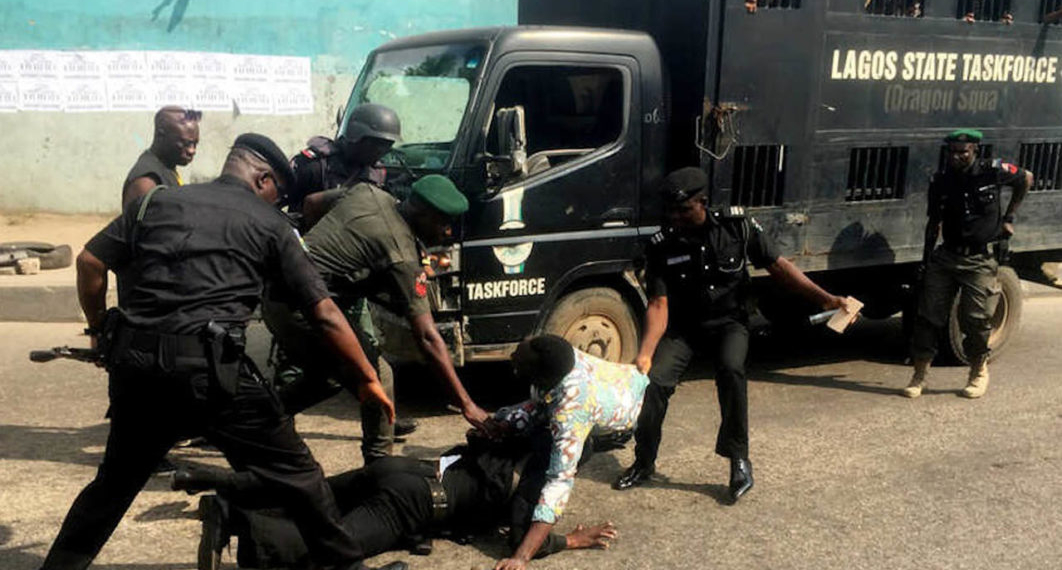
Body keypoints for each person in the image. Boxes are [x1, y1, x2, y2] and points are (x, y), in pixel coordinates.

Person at [41, 133, 400, 570]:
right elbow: (323, 312)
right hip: (211, 374)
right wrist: (366, 379)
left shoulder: (156, 202)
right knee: (299, 477)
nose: (277, 201)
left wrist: (99, 330)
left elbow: (89, 263)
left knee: (111, 488)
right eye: (278, 193)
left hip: (136, 371)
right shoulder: (271, 225)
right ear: (264, 179)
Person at [612, 167, 847, 502]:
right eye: (671, 211)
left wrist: (825, 298)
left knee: (731, 370)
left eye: (683, 209)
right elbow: (659, 303)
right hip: (685, 327)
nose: (675, 217)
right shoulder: (662, 244)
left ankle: (739, 460)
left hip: (730, 323)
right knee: (656, 382)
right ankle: (644, 460)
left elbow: (779, 267)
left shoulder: (737, 226)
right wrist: (646, 352)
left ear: (703, 202)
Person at [262, 172, 491, 463]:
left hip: (279, 292)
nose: (447, 232)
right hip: (301, 309)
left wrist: (312, 255)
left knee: (335, 376)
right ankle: (379, 464)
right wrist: (467, 404)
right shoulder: (401, 254)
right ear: (419, 212)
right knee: (377, 375)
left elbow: (311, 203)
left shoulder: (368, 193)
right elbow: (427, 337)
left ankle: (260, 416)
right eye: (442, 222)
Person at [173, 428, 617, 570]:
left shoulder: (514, 437)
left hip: (403, 469)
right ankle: (245, 535)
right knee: (337, 542)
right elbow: (522, 534)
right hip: (416, 502)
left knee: (314, 493)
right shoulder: (536, 478)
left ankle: (223, 495)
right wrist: (568, 542)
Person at [487, 335, 648, 570]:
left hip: (622, 413)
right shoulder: (556, 353)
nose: (513, 356)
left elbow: (559, 483)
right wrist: (503, 421)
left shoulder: (570, 415)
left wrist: (521, 557)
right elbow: (540, 402)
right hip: (592, 393)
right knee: (512, 429)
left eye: (517, 360)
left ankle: (573, 538)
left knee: (523, 527)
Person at [903, 129, 1032, 399]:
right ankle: (919, 375)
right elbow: (933, 222)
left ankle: (978, 372)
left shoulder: (992, 171)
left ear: (975, 150)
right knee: (928, 318)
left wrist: (1009, 217)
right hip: (946, 257)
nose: (958, 157)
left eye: (964, 152)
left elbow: (1026, 179)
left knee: (975, 320)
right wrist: (926, 261)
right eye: (953, 152)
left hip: (979, 259)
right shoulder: (941, 180)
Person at [283, 103, 396, 229]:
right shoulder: (315, 166)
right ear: (356, 136)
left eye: (388, 145)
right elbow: (273, 206)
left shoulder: (377, 174)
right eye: (377, 144)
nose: (382, 151)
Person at [121, 106, 201, 208]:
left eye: (195, 144)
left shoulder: (167, 167)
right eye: (185, 143)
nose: (192, 150)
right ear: (161, 135)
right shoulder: (146, 182)